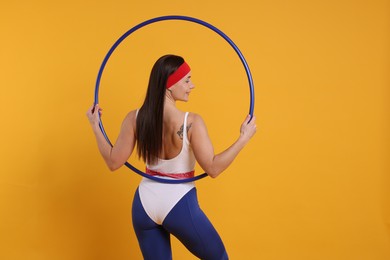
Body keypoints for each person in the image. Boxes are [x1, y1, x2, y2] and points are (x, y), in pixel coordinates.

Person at [86, 54, 256, 259]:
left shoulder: (135, 118)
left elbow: (113, 162)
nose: (192, 86)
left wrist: (95, 127)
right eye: (187, 80)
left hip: (144, 202)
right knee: (219, 257)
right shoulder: (191, 122)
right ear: (169, 85)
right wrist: (243, 139)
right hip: (178, 201)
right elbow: (213, 168)